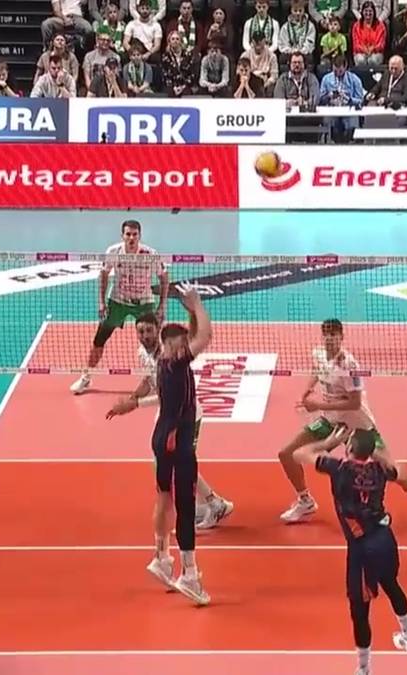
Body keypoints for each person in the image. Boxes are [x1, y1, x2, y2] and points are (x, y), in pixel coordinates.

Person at [277, 319, 407, 529]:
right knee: (286, 453)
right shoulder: (319, 354)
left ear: (341, 337)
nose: (329, 339)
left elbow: (355, 403)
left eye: (334, 335)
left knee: (392, 470)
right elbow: (318, 371)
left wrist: (318, 405)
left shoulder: (350, 366)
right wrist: (306, 392)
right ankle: (305, 501)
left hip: (359, 426)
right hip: (331, 421)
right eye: (326, 334)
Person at [107, 289, 210, 606]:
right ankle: (189, 574)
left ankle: (161, 558)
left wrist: (189, 314)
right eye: (181, 343)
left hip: (161, 437)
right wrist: (197, 304)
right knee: (186, 506)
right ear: (172, 346)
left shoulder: (165, 362)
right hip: (177, 443)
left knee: (164, 497)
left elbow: (194, 335)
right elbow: (205, 336)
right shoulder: (176, 364)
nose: (185, 346)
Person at [293, 426, 407, 675]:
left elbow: (299, 453)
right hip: (386, 538)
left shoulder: (339, 468)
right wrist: (375, 451)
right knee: (391, 584)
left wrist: (327, 443)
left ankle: (364, 669)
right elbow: (398, 470)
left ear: (349, 447)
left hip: (362, 549)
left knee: (360, 611)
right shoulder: (380, 470)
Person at [111, 312, 234, 531]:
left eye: (149, 331)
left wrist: (134, 405)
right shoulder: (143, 353)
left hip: (186, 415)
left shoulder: (169, 357)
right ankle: (206, 504)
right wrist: (132, 397)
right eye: (141, 331)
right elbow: (149, 381)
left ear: (158, 330)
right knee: (163, 463)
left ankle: (214, 504)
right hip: (167, 415)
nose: (145, 335)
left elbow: (164, 395)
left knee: (180, 463)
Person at [72, 220, 169, 395]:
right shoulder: (113, 252)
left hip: (144, 302)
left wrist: (162, 305)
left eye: (135, 234)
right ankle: (85, 377)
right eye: (128, 234)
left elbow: (163, 278)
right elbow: (104, 274)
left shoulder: (150, 254)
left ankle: (160, 380)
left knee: (154, 343)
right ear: (122, 236)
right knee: (99, 340)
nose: (131, 238)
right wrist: (101, 302)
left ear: (140, 236)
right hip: (118, 301)